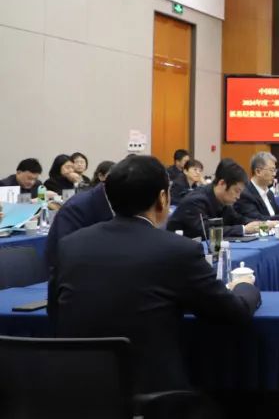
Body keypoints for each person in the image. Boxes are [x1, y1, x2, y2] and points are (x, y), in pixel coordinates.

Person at [50, 155, 261, 393]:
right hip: (154, 395)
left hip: (74, 393)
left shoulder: (70, 245)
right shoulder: (178, 250)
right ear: (162, 198)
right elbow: (233, 313)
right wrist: (244, 285)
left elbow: (54, 312)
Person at [166, 159, 267, 239]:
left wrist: (262, 224)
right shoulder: (195, 201)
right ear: (222, 183)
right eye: (236, 191)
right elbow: (205, 231)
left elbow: (237, 219)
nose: (238, 196)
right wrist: (243, 229)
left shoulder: (222, 200)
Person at [234, 152, 279, 222]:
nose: (274, 174)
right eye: (271, 170)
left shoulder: (269, 193)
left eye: (275, 170)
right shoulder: (245, 194)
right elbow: (257, 219)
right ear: (258, 172)